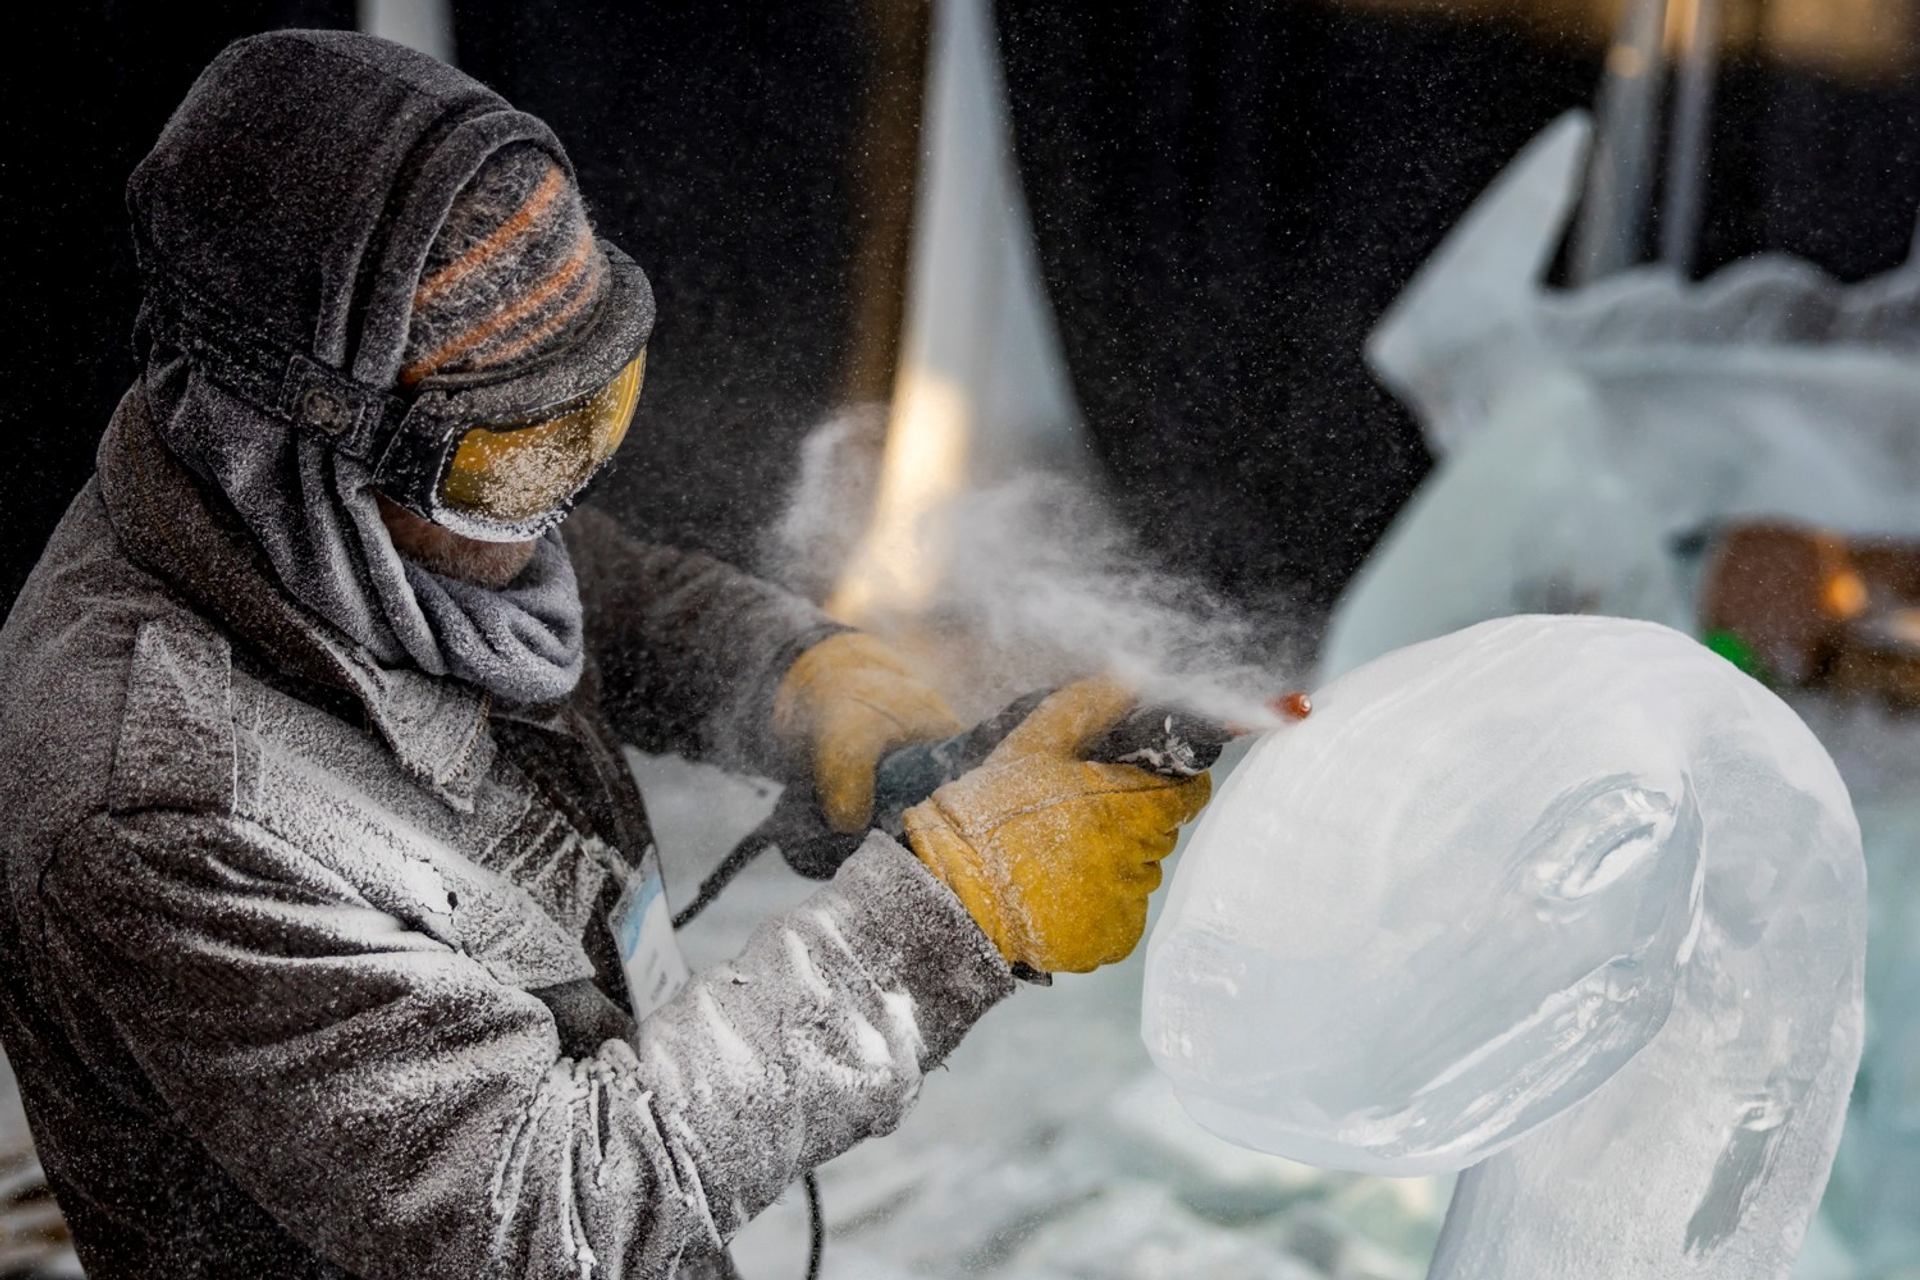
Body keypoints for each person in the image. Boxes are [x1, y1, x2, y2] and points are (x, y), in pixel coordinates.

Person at [0, 30, 1211, 1279]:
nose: (563, 497)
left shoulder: (351, 526)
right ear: (306, 442)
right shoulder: (158, 804)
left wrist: (792, 676)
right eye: (525, 456)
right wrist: (956, 914)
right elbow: (540, 1214)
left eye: (600, 406)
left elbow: (584, 578)